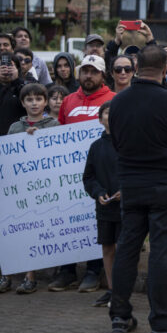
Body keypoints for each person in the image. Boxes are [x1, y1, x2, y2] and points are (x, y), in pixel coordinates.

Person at [109, 45, 167, 333]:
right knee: (161, 253)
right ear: (165, 70)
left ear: (135, 67)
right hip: (166, 186)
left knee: (127, 249)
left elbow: (116, 142)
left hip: (131, 185)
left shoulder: (119, 101)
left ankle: (120, 315)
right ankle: (162, 320)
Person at [52, 54, 115, 293]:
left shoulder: (113, 99)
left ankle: (93, 271)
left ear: (102, 75)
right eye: (85, 71)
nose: (88, 76)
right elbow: (58, 134)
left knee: (96, 222)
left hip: (102, 172)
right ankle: (67, 271)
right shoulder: (68, 100)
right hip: (70, 175)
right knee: (70, 218)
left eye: (94, 71)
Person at [0, 82, 58, 295]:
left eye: (38, 99)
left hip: (41, 190)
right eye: (29, 100)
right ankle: (6, 275)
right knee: (11, 232)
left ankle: (30, 278)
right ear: (22, 103)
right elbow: (6, 155)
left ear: (45, 102)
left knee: (32, 233)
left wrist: (40, 139)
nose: (34, 103)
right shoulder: (15, 127)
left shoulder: (54, 125)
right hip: (17, 190)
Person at [82, 102, 121, 308]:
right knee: (107, 246)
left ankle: (122, 290)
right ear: (100, 119)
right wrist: (98, 193)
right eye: (107, 112)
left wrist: (126, 191)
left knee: (124, 248)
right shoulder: (96, 147)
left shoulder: (129, 145)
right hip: (105, 206)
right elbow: (88, 177)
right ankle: (112, 289)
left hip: (127, 207)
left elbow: (137, 172)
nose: (111, 115)